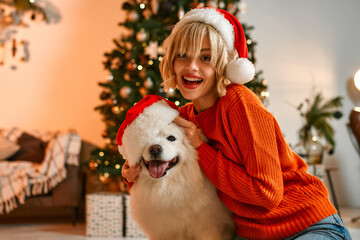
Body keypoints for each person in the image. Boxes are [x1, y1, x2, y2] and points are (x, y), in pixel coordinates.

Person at [120, 7, 352, 240]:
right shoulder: (184, 119)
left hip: (306, 224)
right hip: (251, 234)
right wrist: (133, 176)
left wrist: (201, 147)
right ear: (171, 61)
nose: (191, 66)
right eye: (183, 55)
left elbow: (267, 193)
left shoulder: (240, 103)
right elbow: (170, 182)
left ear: (224, 64)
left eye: (206, 57)